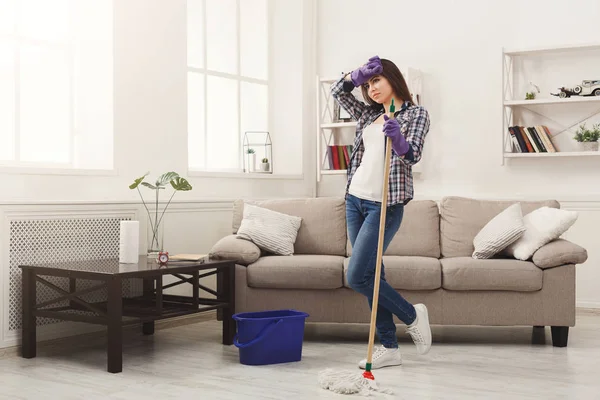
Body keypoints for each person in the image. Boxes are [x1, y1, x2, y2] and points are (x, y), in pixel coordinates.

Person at [331, 55, 432, 369]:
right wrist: (355, 75)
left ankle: (412, 314)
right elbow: (337, 92)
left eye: (377, 80)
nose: (371, 88)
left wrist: (398, 139)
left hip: (385, 205)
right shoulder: (367, 112)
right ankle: (389, 346)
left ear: (393, 79)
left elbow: (412, 154)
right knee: (372, 275)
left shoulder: (416, 113)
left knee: (357, 276)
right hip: (355, 200)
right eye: (368, 83)